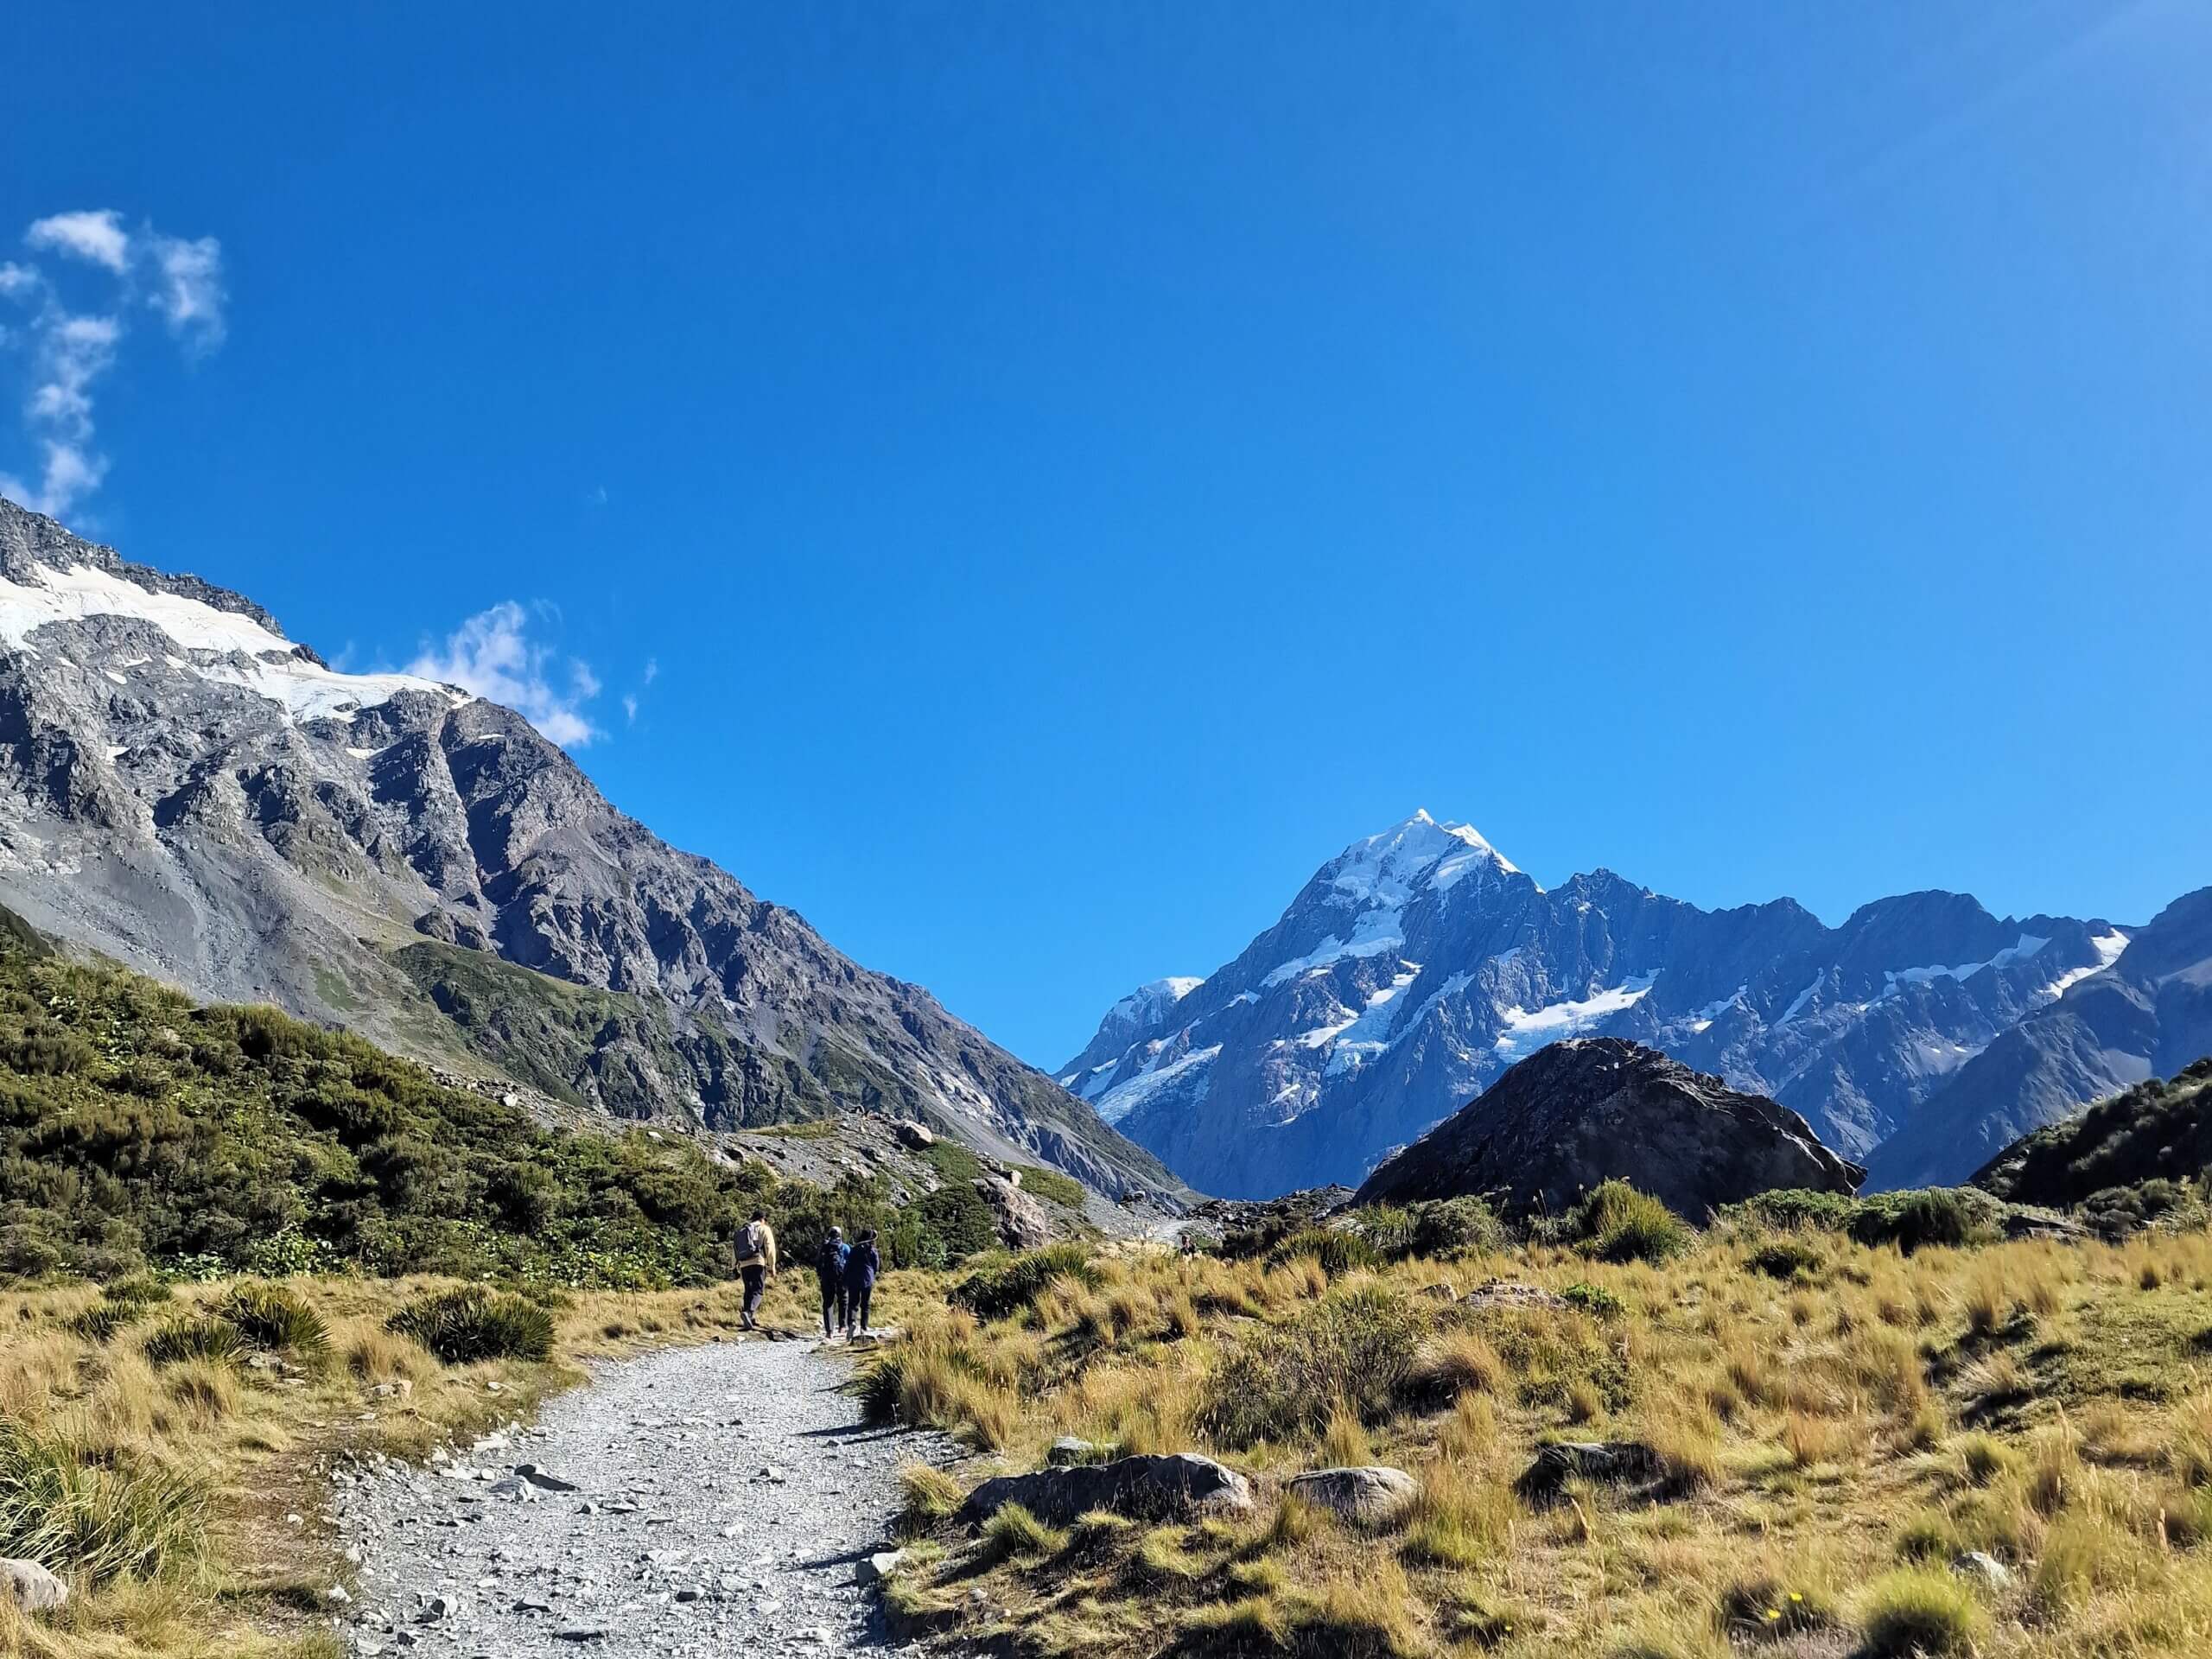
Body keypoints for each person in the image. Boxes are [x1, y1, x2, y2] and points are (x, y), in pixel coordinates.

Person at [734, 1208, 778, 1331]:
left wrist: (734, 1266)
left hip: (743, 1264)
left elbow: (735, 1249)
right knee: (758, 1291)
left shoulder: (742, 1231)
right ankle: (748, 1312)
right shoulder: (764, 1229)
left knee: (748, 1290)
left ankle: (749, 1320)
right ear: (763, 1219)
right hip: (758, 1262)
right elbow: (770, 1248)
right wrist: (772, 1266)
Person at [842, 1227, 880, 1338]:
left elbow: (848, 1265)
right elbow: (876, 1266)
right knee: (865, 1304)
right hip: (867, 1279)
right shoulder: (872, 1250)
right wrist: (872, 1274)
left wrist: (845, 1279)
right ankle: (864, 1327)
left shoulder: (854, 1249)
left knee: (853, 1303)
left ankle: (851, 1323)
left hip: (853, 1279)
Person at [816, 1225, 850, 1338]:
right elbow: (849, 1262)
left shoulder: (824, 1247)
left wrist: (820, 1275)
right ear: (840, 1235)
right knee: (843, 1300)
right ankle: (842, 1326)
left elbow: (818, 1262)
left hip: (827, 1277)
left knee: (828, 1303)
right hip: (842, 1277)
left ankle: (829, 1331)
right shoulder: (845, 1247)